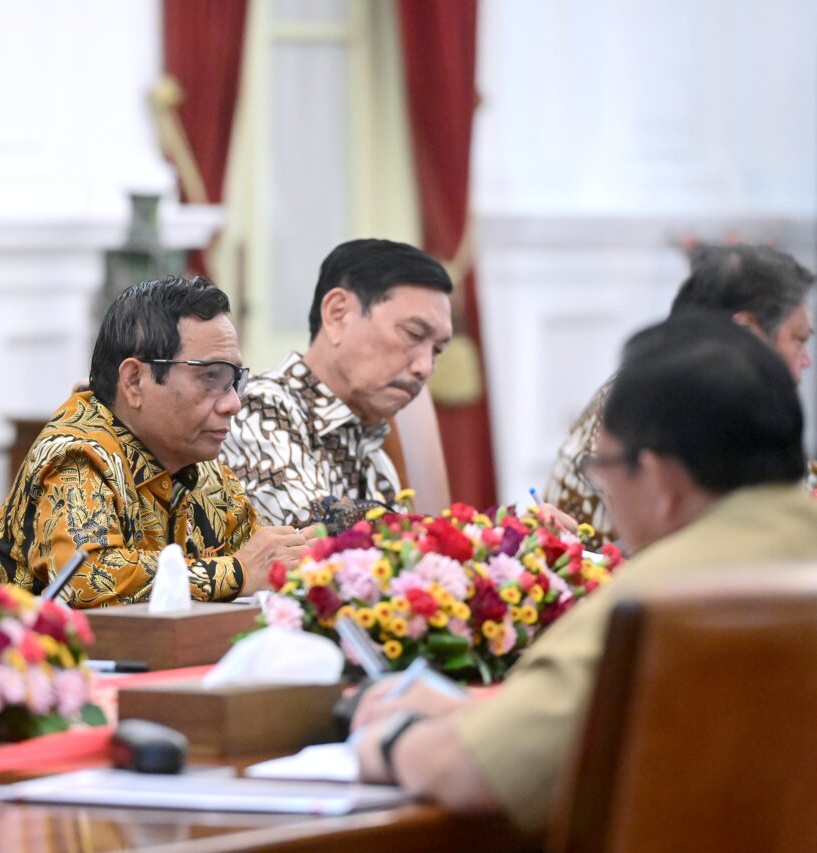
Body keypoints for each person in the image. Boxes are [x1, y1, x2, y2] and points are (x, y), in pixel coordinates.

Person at [350, 313, 817, 835]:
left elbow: (476, 770)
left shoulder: (668, 598)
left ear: (660, 477)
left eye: (606, 468)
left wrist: (393, 740)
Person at [0, 275, 313, 607]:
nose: (233, 404)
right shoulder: (77, 455)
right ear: (135, 380)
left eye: (234, 381)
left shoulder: (204, 472)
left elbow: (263, 561)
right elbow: (86, 579)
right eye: (212, 377)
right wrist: (236, 573)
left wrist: (305, 561)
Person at [544, 243, 815, 543]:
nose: (807, 360)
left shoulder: (728, 403)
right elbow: (718, 548)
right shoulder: (656, 401)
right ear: (747, 331)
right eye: (799, 340)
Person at [221, 239, 453, 528]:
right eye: (413, 334)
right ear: (337, 314)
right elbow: (314, 538)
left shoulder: (375, 453)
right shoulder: (255, 408)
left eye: (437, 350)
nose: (425, 366)